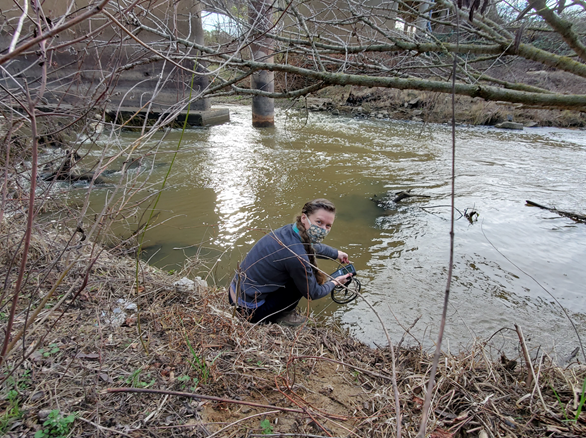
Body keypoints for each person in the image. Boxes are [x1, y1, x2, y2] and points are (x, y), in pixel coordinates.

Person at [228, 198, 353, 326]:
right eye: (319, 222)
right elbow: (313, 293)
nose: (323, 229)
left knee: (300, 275)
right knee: (302, 284)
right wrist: (335, 282)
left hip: (235, 294)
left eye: (328, 226)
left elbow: (311, 247)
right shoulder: (297, 257)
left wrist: (337, 253)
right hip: (248, 311)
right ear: (304, 218)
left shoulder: (290, 231)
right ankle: (281, 316)